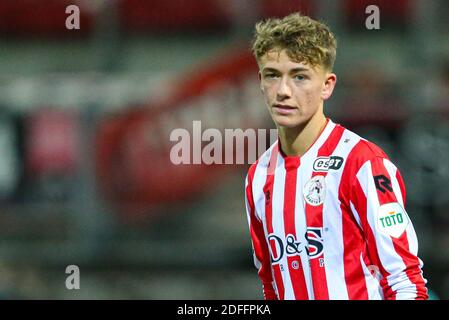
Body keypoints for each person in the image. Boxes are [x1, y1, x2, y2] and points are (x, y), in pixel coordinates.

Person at [244, 12, 428, 300]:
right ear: (260, 81)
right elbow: (271, 284)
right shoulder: (258, 176)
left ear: (327, 85)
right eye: (272, 75)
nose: (283, 91)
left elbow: (405, 282)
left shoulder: (361, 162)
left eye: (300, 76)